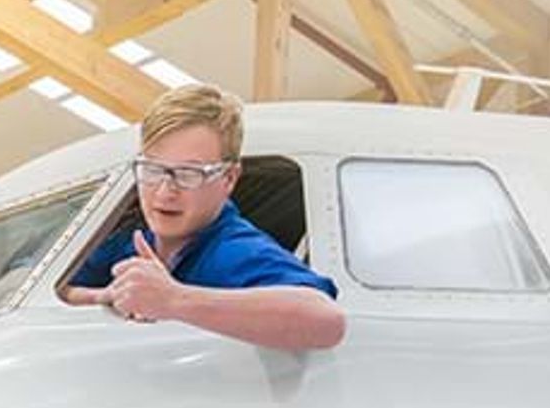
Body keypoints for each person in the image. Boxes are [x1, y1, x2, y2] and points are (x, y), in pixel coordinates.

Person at [59, 82, 345, 351]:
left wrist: (173, 299)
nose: (165, 191)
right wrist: (104, 296)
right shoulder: (128, 244)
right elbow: (62, 290)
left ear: (229, 178)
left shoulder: (234, 251)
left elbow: (325, 321)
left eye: (188, 174)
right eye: (153, 170)